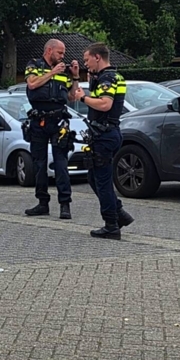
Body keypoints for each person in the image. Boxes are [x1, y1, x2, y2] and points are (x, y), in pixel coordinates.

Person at [77, 43, 133, 239]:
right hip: (107, 133)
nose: (86, 64)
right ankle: (119, 214)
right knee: (94, 178)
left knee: (103, 182)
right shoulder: (110, 76)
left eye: (87, 60)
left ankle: (111, 225)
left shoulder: (108, 78)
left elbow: (105, 104)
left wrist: (83, 99)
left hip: (104, 135)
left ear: (97, 57)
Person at [23, 39, 79, 219]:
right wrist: (52, 73)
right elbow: (32, 84)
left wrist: (76, 77)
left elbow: (72, 97)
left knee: (61, 162)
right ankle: (42, 203)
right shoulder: (35, 65)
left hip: (58, 121)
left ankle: (65, 204)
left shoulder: (64, 72)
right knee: (39, 164)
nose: (63, 56)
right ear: (49, 50)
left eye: (63, 53)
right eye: (60, 53)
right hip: (39, 121)